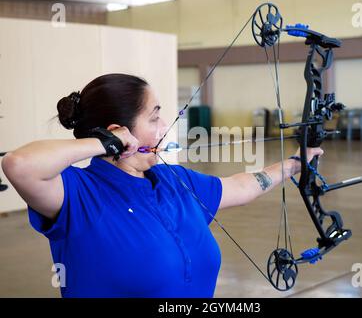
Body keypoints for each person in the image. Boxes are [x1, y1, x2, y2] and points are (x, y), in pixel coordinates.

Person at [1, 73, 323, 297]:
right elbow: (19, 164)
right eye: (154, 117)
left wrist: (296, 163)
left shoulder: (173, 180)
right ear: (118, 131)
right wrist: (104, 144)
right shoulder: (77, 195)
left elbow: (242, 186)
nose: (165, 126)